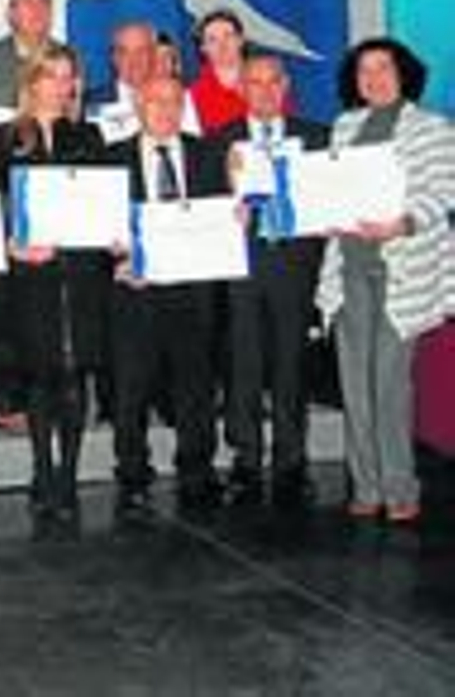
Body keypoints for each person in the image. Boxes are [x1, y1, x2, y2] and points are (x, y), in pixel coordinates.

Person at [315, 38, 454, 525]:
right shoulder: (345, 126)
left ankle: (400, 488)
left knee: (390, 384)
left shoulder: (432, 128)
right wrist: (326, 213)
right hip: (349, 269)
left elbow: (444, 194)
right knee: (354, 383)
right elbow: (330, 190)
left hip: (403, 273)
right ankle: (366, 485)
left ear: (404, 74)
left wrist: (405, 223)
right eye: (364, 71)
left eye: (383, 68)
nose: (373, 78)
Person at [0, 47, 111, 520]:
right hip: (30, 273)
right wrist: (8, 245)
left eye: (68, 77)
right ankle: (41, 469)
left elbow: (103, 201)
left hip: (79, 271)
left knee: (75, 373)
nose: (61, 86)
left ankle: (69, 476)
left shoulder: (88, 134)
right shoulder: (4, 138)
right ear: (32, 81)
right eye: (52, 76)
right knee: (39, 374)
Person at [109, 75, 229, 518]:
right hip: (134, 294)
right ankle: (133, 475)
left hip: (193, 293)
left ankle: (197, 472)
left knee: (196, 387)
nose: (164, 109)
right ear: (139, 104)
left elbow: (224, 221)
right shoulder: (111, 160)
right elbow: (96, 229)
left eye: (174, 102)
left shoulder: (209, 155)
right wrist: (114, 258)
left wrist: (233, 217)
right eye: (155, 101)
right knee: (130, 390)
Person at [215, 54, 330, 508]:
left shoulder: (316, 138)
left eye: (272, 82)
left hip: (295, 265)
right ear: (241, 87)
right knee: (243, 365)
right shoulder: (220, 142)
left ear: (286, 87)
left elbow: (331, 197)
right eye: (254, 82)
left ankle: (291, 462)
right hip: (241, 266)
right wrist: (229, 212)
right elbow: (203, 205)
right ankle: (246, 460)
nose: (263, 91)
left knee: (291, 365)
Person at [87, 21, 201, 142]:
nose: (133, 60)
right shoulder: (92, 101)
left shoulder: (179, 96)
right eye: (124, 52)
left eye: (141, 51)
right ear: (113, 57)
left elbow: (189, 146)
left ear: (153, 54)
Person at [188, 9, 250, 135]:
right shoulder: (194, 95)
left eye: (228, 35)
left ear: (241, 40)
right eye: (212, 40)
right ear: (203, 48)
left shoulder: (268, 81)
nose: (222, 45)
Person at [0, 0, 62, 68]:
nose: (37, 9)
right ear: (11, 14)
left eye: (43, 3)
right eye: (28, 2)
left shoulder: (67, 57)